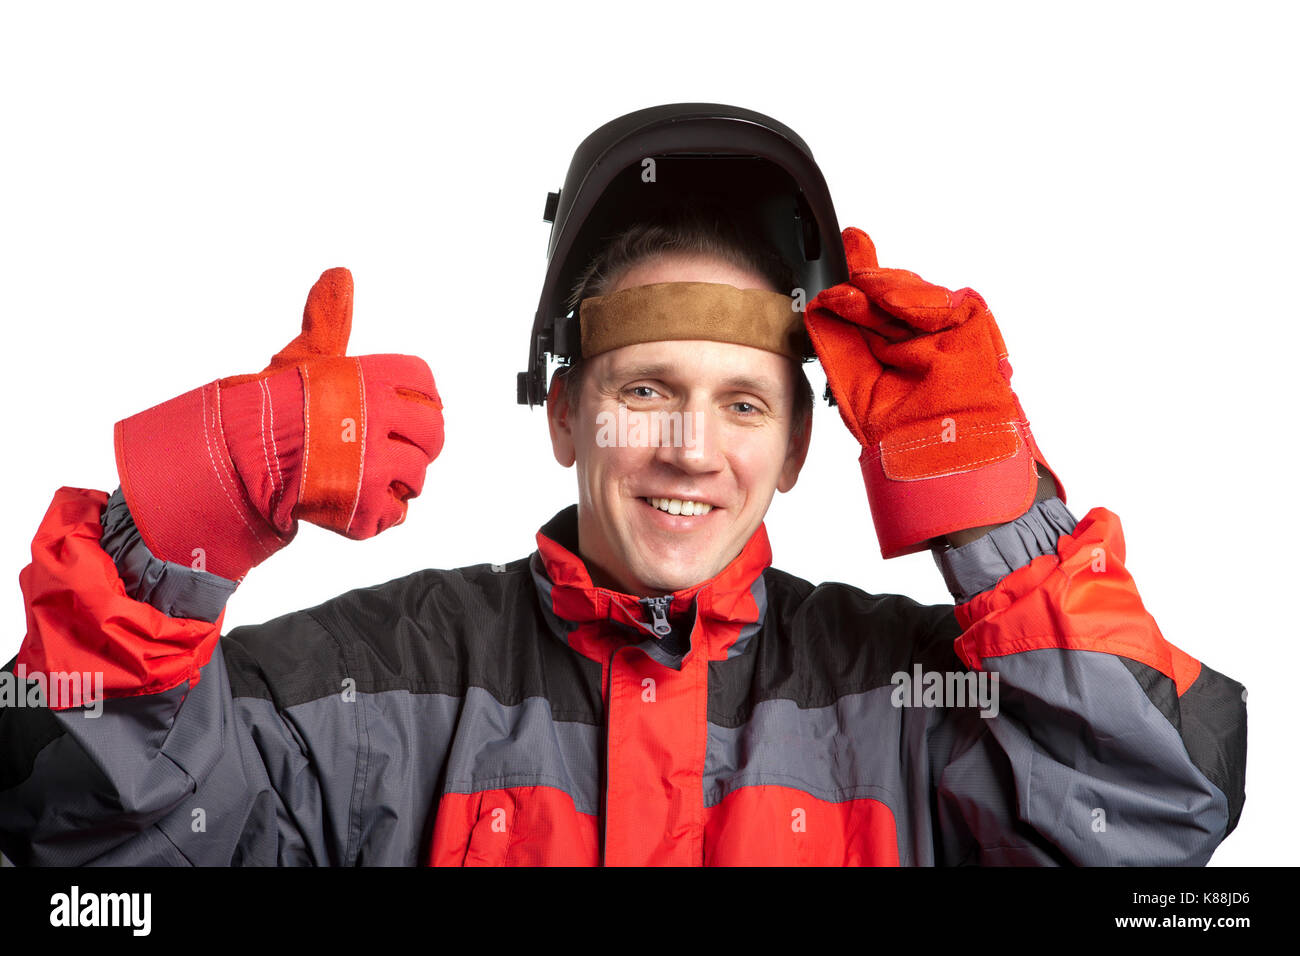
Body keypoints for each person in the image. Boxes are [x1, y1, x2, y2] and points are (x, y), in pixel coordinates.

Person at [0, 104, 1246, 866]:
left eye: (745, 401)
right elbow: (92, 843)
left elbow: (1151, 821)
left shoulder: (918, 702)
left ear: (801, 450)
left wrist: (994, 508)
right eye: (645, 388)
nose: (691, 447)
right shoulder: (372, 684)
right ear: (564, 415)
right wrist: (177, 526)